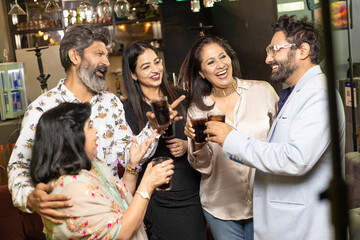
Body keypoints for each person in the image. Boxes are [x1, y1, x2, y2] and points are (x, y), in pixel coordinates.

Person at [7, 25, 183, 224]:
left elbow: (128, 156)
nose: (106, 62)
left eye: (106, 55)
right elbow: (18, 168)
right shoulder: (42, 108)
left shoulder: (111, 102)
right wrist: (31, 198)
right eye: (99, 54)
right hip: (70, 221)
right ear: (75, 57)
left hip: (114, 214)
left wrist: (154, 127)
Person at [205, 15, 346, 239]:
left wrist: (232, 138)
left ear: (303, 51)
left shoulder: (319, 95)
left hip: (304, 226)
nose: (268, 59)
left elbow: (295, 158)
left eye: (274, 50)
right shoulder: (296, 93)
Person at [30, 102, 174, 239]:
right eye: (90, 126)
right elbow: (121, 232)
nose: (96, 131)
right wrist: (147, 185)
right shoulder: (72, 189)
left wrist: (133, 164)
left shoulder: (93, 165)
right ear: (72, 137)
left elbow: (120, 201)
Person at [183, 35, 278, 240]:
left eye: (222, 57)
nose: (220, 65)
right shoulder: (197, 110)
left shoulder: (262, 91)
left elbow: (281, 143)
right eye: (210, 62)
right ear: (201, 72)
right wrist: (197, 143)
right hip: (220, 208)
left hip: (265, 203)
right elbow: (204, 167)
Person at [122, 41, 207, 240]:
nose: (155, 69)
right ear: (133, 75)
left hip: (192, 191)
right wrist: (156, 128)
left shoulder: (183, 97)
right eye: (146, 66)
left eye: (156, 62)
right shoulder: (127, 109)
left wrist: (188, 145)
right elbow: (129, 157)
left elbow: (203, 135)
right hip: (157, 197)